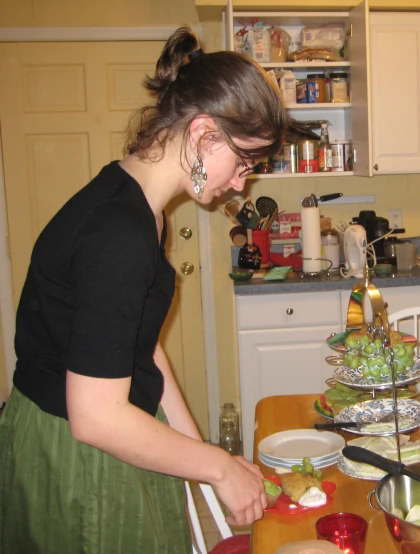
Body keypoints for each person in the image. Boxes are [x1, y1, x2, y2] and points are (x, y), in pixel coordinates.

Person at [0, 27, 287, 552]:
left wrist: (197, 454)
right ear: (203, 133)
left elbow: (139, 344)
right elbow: (95, 415)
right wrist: (218, 467)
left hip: (105, 431)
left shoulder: (138, 208)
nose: (242, 182)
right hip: (75, 453)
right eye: (244, 162)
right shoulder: (120, 229)